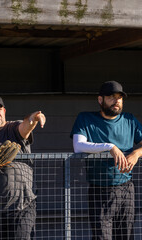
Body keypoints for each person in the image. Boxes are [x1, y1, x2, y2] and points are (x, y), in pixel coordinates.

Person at [70, 81, 142, 240]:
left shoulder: (129, 120)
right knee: (102, 236)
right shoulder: (86, 118)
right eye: (111, 97)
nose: (117, 101)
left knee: (126, 235)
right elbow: (78, 146)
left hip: (126, 188)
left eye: (120, 97)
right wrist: (110, 147)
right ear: (100, 100)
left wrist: (137, 153)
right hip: (100, 189)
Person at [0, 93, 46, 240]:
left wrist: (35, 118)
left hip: (22, 206)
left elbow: (27, 125)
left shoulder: (13, 129)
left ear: (4, 111)